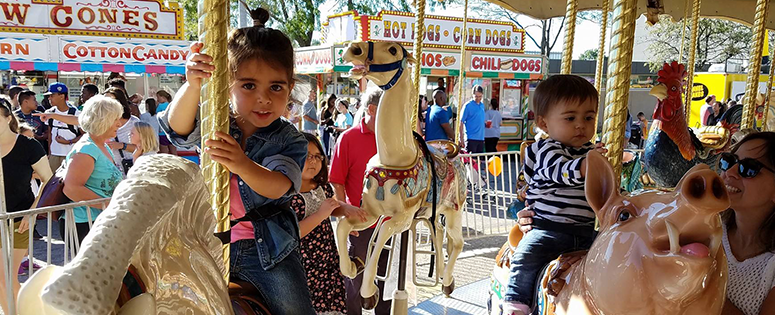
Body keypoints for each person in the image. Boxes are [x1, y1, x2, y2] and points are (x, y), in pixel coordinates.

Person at [160, 7, 317, 314]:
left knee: (296, 309)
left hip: (267, 252)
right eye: (248, 86)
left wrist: (242, 163)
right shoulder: (218, 122)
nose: (263, 98)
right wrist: (193, 84)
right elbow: (178, 126)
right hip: (204, 241)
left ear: (290, 88)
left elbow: (280, 187)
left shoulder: (289, 138)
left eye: (276, 87)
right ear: (226, 85)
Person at [502, 75, 607, 315]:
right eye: (570, 118)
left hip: (584, 232)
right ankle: (515, 303)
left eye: (588, 118)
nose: (581, 124)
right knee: (527, 256)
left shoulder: (590, 152)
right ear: (545, 124)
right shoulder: (547, 149)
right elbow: (559, 171)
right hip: (549, 230)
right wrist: (587, 165)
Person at [329, 87, 391, 315]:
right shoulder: (348, 138)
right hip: (361, 222)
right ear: (373, 109)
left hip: (388, 223)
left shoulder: (391, 140)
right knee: (353, 281)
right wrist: (345, 211)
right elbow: (336, 180)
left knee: (384, 279)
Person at [0, 96, 52, 314]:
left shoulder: (28, 146)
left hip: (18, 220)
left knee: (5, 277)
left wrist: (33, 212)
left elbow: (50, 181)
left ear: (7, 117)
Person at [293, 132, 354, 314]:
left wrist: (348, 212)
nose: (313, 161)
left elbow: (332, 206)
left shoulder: (321, 186)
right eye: (306, 156)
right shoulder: (287, 193)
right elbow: (292, 233)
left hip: (325, 259)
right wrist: (321, 214)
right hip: (303, 263)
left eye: (317, 156)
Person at [717, 132, 775, 315]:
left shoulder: (770, 267)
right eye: (729, 161)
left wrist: (700, 289)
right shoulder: (707, 228)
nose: (730, 172)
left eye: (749, 168)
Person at [61, 95, 124, 245]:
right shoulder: (87, 149)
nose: (119, 124)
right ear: (104, 119)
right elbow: (71, 188)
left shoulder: (101, 145)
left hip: (97, 221)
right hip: (84, 224)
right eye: (116, 119)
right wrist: (110, 205)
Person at [44, 82, 82, 172]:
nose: (49, 98)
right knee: (52, 182)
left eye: (52, 95)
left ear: (62, 96)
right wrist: (49, 153)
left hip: (71, 154)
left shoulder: (75, 113)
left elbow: (85, 135)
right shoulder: (49, 112)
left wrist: (69, 142)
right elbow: (50, 134)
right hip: (54, 155)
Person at [103, 87, 141, 175]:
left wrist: (121, 146)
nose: (107, 105)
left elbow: (143, 148)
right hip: (110, 171)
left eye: (111, 101)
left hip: (132, 170)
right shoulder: (102, 124)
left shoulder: (134, 122)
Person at [460, 85, 487, 153]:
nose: (478, 98)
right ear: (472, 95)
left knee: (479, 160)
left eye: (480, 96)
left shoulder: (482, 105)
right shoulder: (467, 106)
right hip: (470, 138)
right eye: (476, 96)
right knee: (471, 161)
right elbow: (461, 122)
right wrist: (461, 138)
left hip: (481, 138)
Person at [155, 90, 177, 156]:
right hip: (172, 130)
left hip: (162, 131)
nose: (157, 99)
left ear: (162, 97)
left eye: (158, 97)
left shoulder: (160, 106)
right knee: (174, 152)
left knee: (164, 153)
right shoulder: (172, 104)